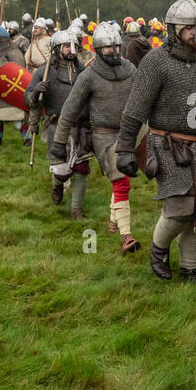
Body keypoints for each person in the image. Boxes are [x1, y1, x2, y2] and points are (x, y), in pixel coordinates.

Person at [115, 0, 196, 281]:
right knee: (179, 208)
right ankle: (159, 248)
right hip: (167, 145)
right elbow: (135, 108)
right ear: (173, 30)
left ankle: (190, 267)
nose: (194, 32)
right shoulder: (155, 62)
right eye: (187, 27)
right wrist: (124, 149)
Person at [52, 21, 141, 252]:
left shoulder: (130, 69)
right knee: (121, 181)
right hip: (104, 137)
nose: (115, 51)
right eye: (109, 48)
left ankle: (115, 218)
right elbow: (69, 111)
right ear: (99, 50)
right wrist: (59, 143)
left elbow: (144, 97)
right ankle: (126, 237)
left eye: (117, 46)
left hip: (130, 133)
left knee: (127, 181)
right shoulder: (89, 76)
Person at [27, 29, 84, 212]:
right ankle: (57, 186)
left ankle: (77, 209)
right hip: (56, 125)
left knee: (81, 169)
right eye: (67, 46)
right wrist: (36, 92)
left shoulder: (83, 71)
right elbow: (28, 98)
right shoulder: (45, 72)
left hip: (80, 127)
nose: (71, 50)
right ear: (57, 48)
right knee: (60, 168)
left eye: (74, 46)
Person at [0, 25, 30, 148]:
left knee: (19, 117)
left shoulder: (13, 52)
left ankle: (27, 140)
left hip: (8, 93)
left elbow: (18, 72)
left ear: (0, 38)